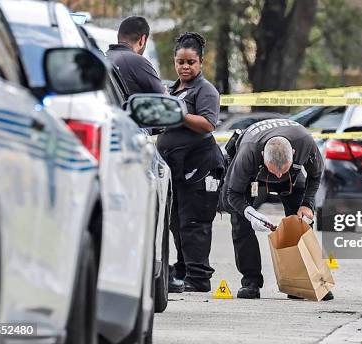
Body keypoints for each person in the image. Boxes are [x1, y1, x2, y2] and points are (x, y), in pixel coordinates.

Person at [106, 16, 185, 294]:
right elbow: (163, 101)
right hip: (135, 148)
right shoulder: (137, 62)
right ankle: (158, 274)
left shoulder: (101, 59)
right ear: (143, 40)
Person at [221, 118, 333, 300]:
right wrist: (249, 213)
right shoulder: (248, 152)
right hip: (253, 179)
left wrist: (307, 203)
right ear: (263, 155)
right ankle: (251, 281)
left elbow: (316, 175)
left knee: (302, 223)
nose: (278, 175)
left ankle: (304, 282)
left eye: (283, 171)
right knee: (240, 222)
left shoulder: (306, 143)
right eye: (274, 171)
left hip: (293, 179)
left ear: (295, 153)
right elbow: (232, 194)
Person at [155, 32, 224, 292]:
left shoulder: (205, 90)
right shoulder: (173, 89)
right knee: (175, 221)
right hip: (176, 169)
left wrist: (179, 113)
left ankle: (199, 278)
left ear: (201, 62)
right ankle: (183, 269)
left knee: (194, 222)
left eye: (190, 62)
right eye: (180, 62)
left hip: (200, 167)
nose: (185, 67)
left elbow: (207, 123)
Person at [106, 16, 164, 95]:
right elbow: (165, 98)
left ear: (118, 36)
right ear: (142, 39)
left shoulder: (104, 57)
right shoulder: (136, 61)